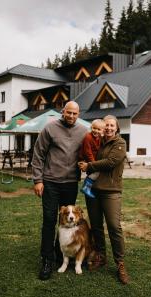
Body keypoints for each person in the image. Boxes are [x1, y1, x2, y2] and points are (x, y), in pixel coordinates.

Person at [32, 101, 88, 281]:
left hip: (70, 183)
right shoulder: (50, 128)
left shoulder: (82, 131)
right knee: (49, 220)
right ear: (63, 112)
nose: (71, 116)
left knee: (66, 221)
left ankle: (59, 253)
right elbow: (38, 154)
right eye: (68, 112)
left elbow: (88, 153)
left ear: (79, 114)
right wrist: (38, 180)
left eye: (75, 113)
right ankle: (47, 260)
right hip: (50, 182)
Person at [78, 115, 129, 284]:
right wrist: (82, 162)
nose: (108, 128)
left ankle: (120, 263)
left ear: (117, 128)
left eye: (111, 125)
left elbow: (111, 162)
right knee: (97, 226)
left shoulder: (119, 143)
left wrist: (89, 166)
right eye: (106, 125)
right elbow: (87, 153)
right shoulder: (97, 140)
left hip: (111, 191)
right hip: (93, 191)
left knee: (114, 227)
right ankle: (101, 255)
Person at [79, 119, 105, 198]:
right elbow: (88, 152)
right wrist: (94, 164)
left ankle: (89, 187)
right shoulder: (88, 137)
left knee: (97, 174)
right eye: (94, 128)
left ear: (102, 131)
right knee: (96, 172)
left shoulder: (99, 138)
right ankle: (86, 186)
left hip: (93, 160)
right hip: (87, 159)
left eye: (98, 129)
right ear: (91, 127)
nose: (96, 131)